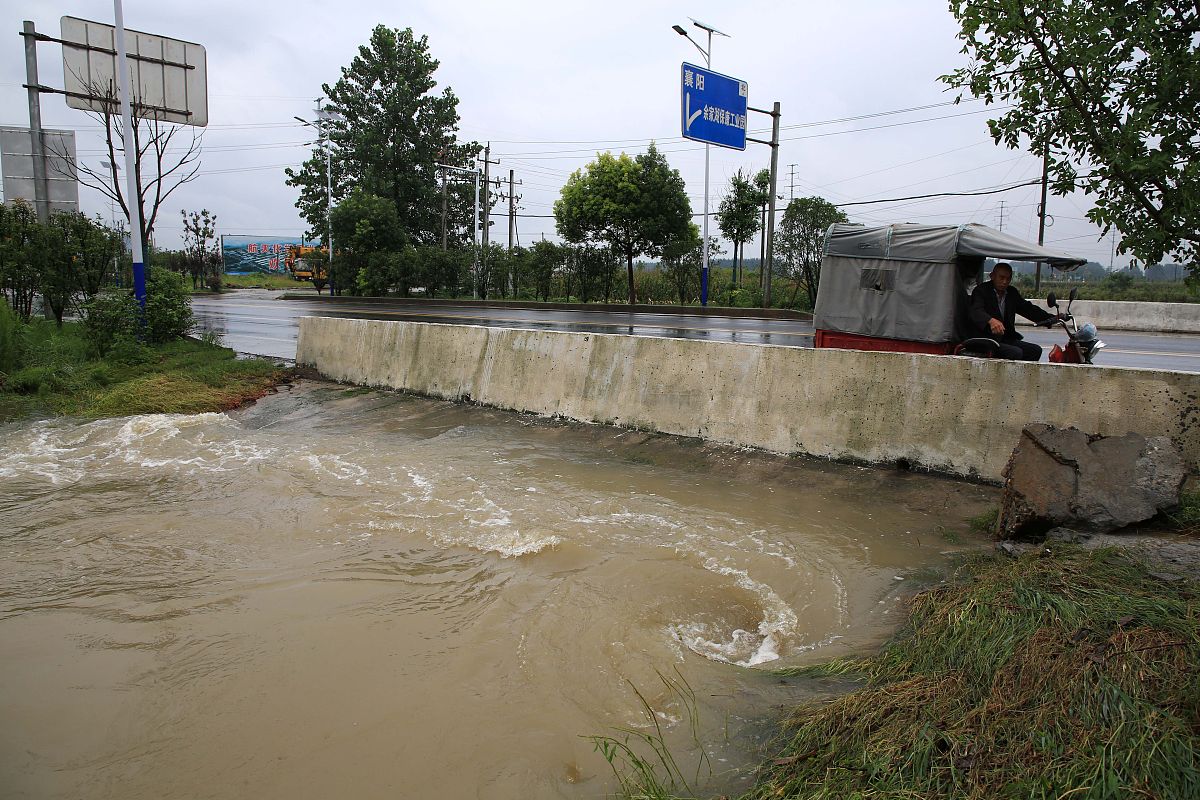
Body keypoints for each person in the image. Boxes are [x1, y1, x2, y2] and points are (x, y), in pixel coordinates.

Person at [968, 262, 1055, 361]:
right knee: (1015, 352)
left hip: (1005, 339)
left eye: (1008, 278)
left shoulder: (1011, 293)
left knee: (1035, 350)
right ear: (992, 276)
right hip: (984, 339)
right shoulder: (981, 291)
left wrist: (1050, 318)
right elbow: (976, 311)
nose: (1005, 282)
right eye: (1001, 277)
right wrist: (990, 320)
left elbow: (1027, 309)